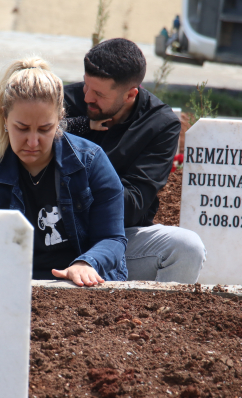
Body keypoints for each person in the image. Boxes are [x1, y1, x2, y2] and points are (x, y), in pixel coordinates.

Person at [0, 57, 127, 287]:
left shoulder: (91, 162)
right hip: (11, 285)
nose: (32, 141)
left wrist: (86, 264)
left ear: (60, 118)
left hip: (81, 285)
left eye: (45, 129)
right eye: (22, 128)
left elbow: (112, 238)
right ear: (5, 118)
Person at [64, 38, 206, 284]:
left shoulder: (160, 125)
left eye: (98, 93)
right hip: (54, 231)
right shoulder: (65, 102)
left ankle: (156, 321)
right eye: (86, 86)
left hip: (112, 239)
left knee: (187, 248)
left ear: (131, 94)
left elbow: (133, 205)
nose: (86, 97)